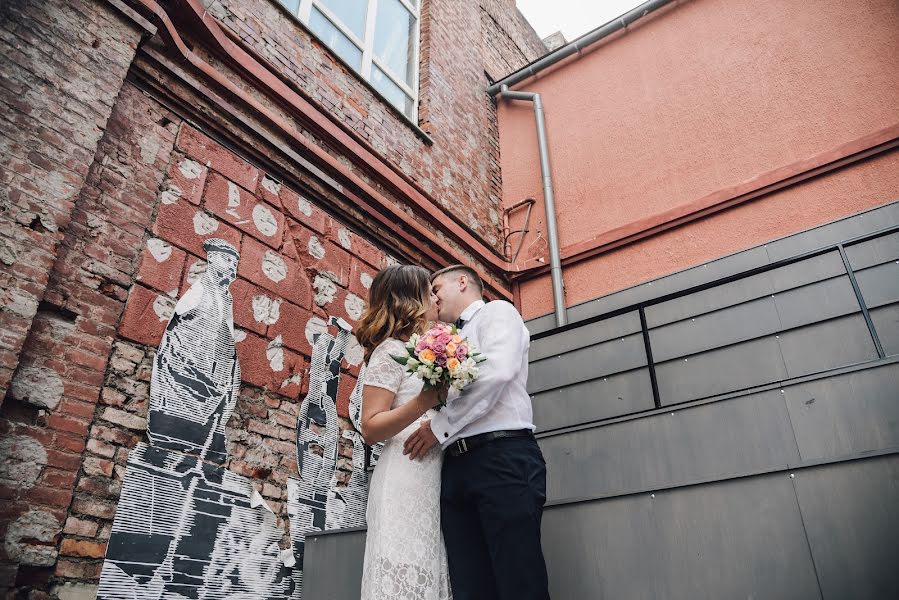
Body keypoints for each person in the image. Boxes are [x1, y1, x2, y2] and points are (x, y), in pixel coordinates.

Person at [404, 265, 550, 600]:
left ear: (463, 282)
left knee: (518, 579)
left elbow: (497, 373)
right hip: (456, 467)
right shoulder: (444, 339)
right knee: (469, 585)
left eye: (436, 287)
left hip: (502, 457)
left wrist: (438, 427)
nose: (432, 297)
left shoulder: (498, 312)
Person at [356, 264, 452, 600]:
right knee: (403, 573)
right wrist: (425, 400)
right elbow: (370, 427)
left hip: (431, 478)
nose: (436, 296)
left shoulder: (424, 353)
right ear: (411, 299)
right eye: (429, 290)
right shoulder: (390, 352)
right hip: (403, 476)